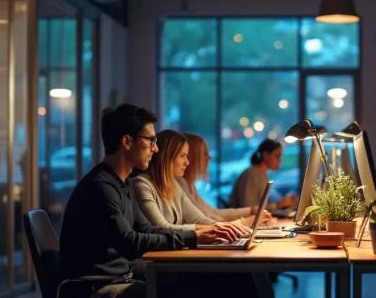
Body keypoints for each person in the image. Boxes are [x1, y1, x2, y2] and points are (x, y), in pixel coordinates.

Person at [60, 104, 259, 297]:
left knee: (236, 279)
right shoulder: (101, 187)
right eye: (150, 141)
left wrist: (199, 233)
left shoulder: (123, 182)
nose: (155, 149)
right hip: (97, 287)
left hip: (121, 279)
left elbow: (147, 230)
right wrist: (194, 237)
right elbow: (130, 242)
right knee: (214, 286)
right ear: (127, 142)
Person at [131, 130, 254, 231]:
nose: (187, 162)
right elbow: (162, 227)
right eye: (182, 156)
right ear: (166, 157)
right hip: (156, 258)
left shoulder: (173, 185)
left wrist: (229, 227)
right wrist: (238, 224)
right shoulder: (141, 184)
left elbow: (200, 219)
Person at [178, 132, 271, 224]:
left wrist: (250, 211)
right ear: (192, 157)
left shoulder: (189, 184)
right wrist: (246, 220)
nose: (209, 157)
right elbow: (203, 220)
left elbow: (212, 213)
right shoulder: (181, 184)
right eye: (204, 153)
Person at [229, 139, 297, 212]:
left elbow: (263, 205)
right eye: (277, 156)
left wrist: (283, 204)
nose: (280, 160)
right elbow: (248, 209)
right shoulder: (251, 175)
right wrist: (278, 205)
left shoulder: (264, 176)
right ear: (265, 155)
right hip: (241, 222)